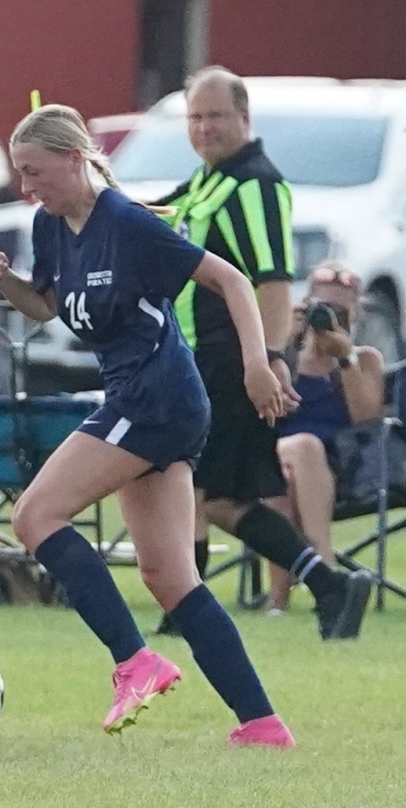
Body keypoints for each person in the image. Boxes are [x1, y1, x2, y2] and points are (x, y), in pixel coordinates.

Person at [0, 103, 294, 747]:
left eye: (34, 171)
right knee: (169, 577)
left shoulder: (126, 222)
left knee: (35, 516)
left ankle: (136, 661)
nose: (25, 187)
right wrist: (8, 283)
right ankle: (263, 724)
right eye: (19, 173)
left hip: (158, 398)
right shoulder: (50, 225)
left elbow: (231, 280)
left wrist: (258, 366)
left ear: (74, 158)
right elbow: (45, 306)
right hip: (142, 398)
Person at [151, 66, 372, 639]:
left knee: (189, 484)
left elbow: (274, 280)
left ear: (244, 118)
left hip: (229, 363)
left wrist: (269, 357)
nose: (203, 128)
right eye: (195, 118)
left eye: (215, 116)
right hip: (201, 360)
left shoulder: (256, 184)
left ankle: (183, 618)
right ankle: (331, 587)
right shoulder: (209, 180)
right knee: (222, 499)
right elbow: (149, 215)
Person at [266, 262, 385, 612]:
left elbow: (367, 422)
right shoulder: (284, 356)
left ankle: (279, 602)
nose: (330, 318)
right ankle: (327, 571)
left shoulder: (365, 360)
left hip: (340, 467)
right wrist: (287, 342)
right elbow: (263, 412)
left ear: (357, 311)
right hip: (274, 453)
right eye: (323, 309)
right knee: (302, 448)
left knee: (286, 483)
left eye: (340, 311)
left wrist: (344, 358)